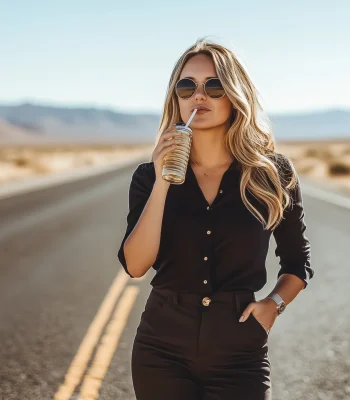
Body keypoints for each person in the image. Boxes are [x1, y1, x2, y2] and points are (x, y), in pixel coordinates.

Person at [117, 36, 314, 400]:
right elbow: (135, 265)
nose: (199, 96)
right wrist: (163, 181)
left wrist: (274, 304)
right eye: (187, 86)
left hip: (239, 350)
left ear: (235, 94)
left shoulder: (272, 174)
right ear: (176, 98)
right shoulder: (148, 176)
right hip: (161, 347)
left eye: (214, 85)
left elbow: (297, 263)